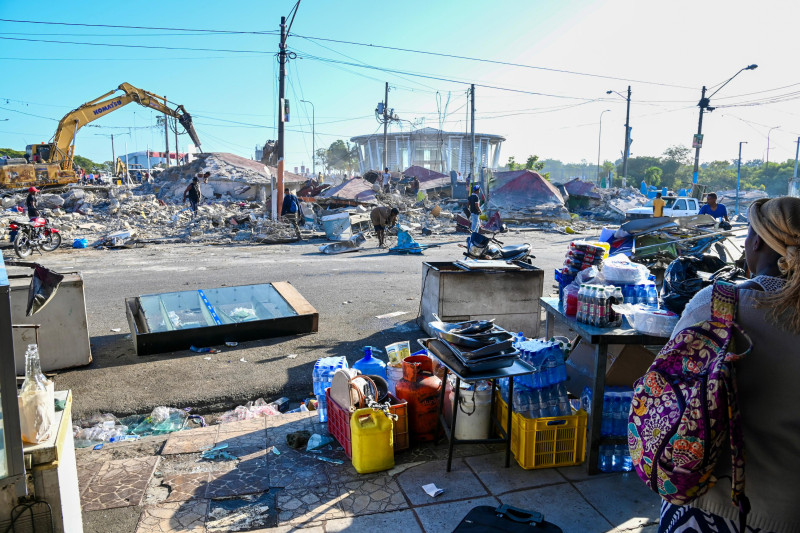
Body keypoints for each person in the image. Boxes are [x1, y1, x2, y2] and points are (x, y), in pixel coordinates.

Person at [661, 197, 800, 533]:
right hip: (789, 511)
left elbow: (665, 391)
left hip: (710, 503)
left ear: (755, 242)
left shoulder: (719, 304)